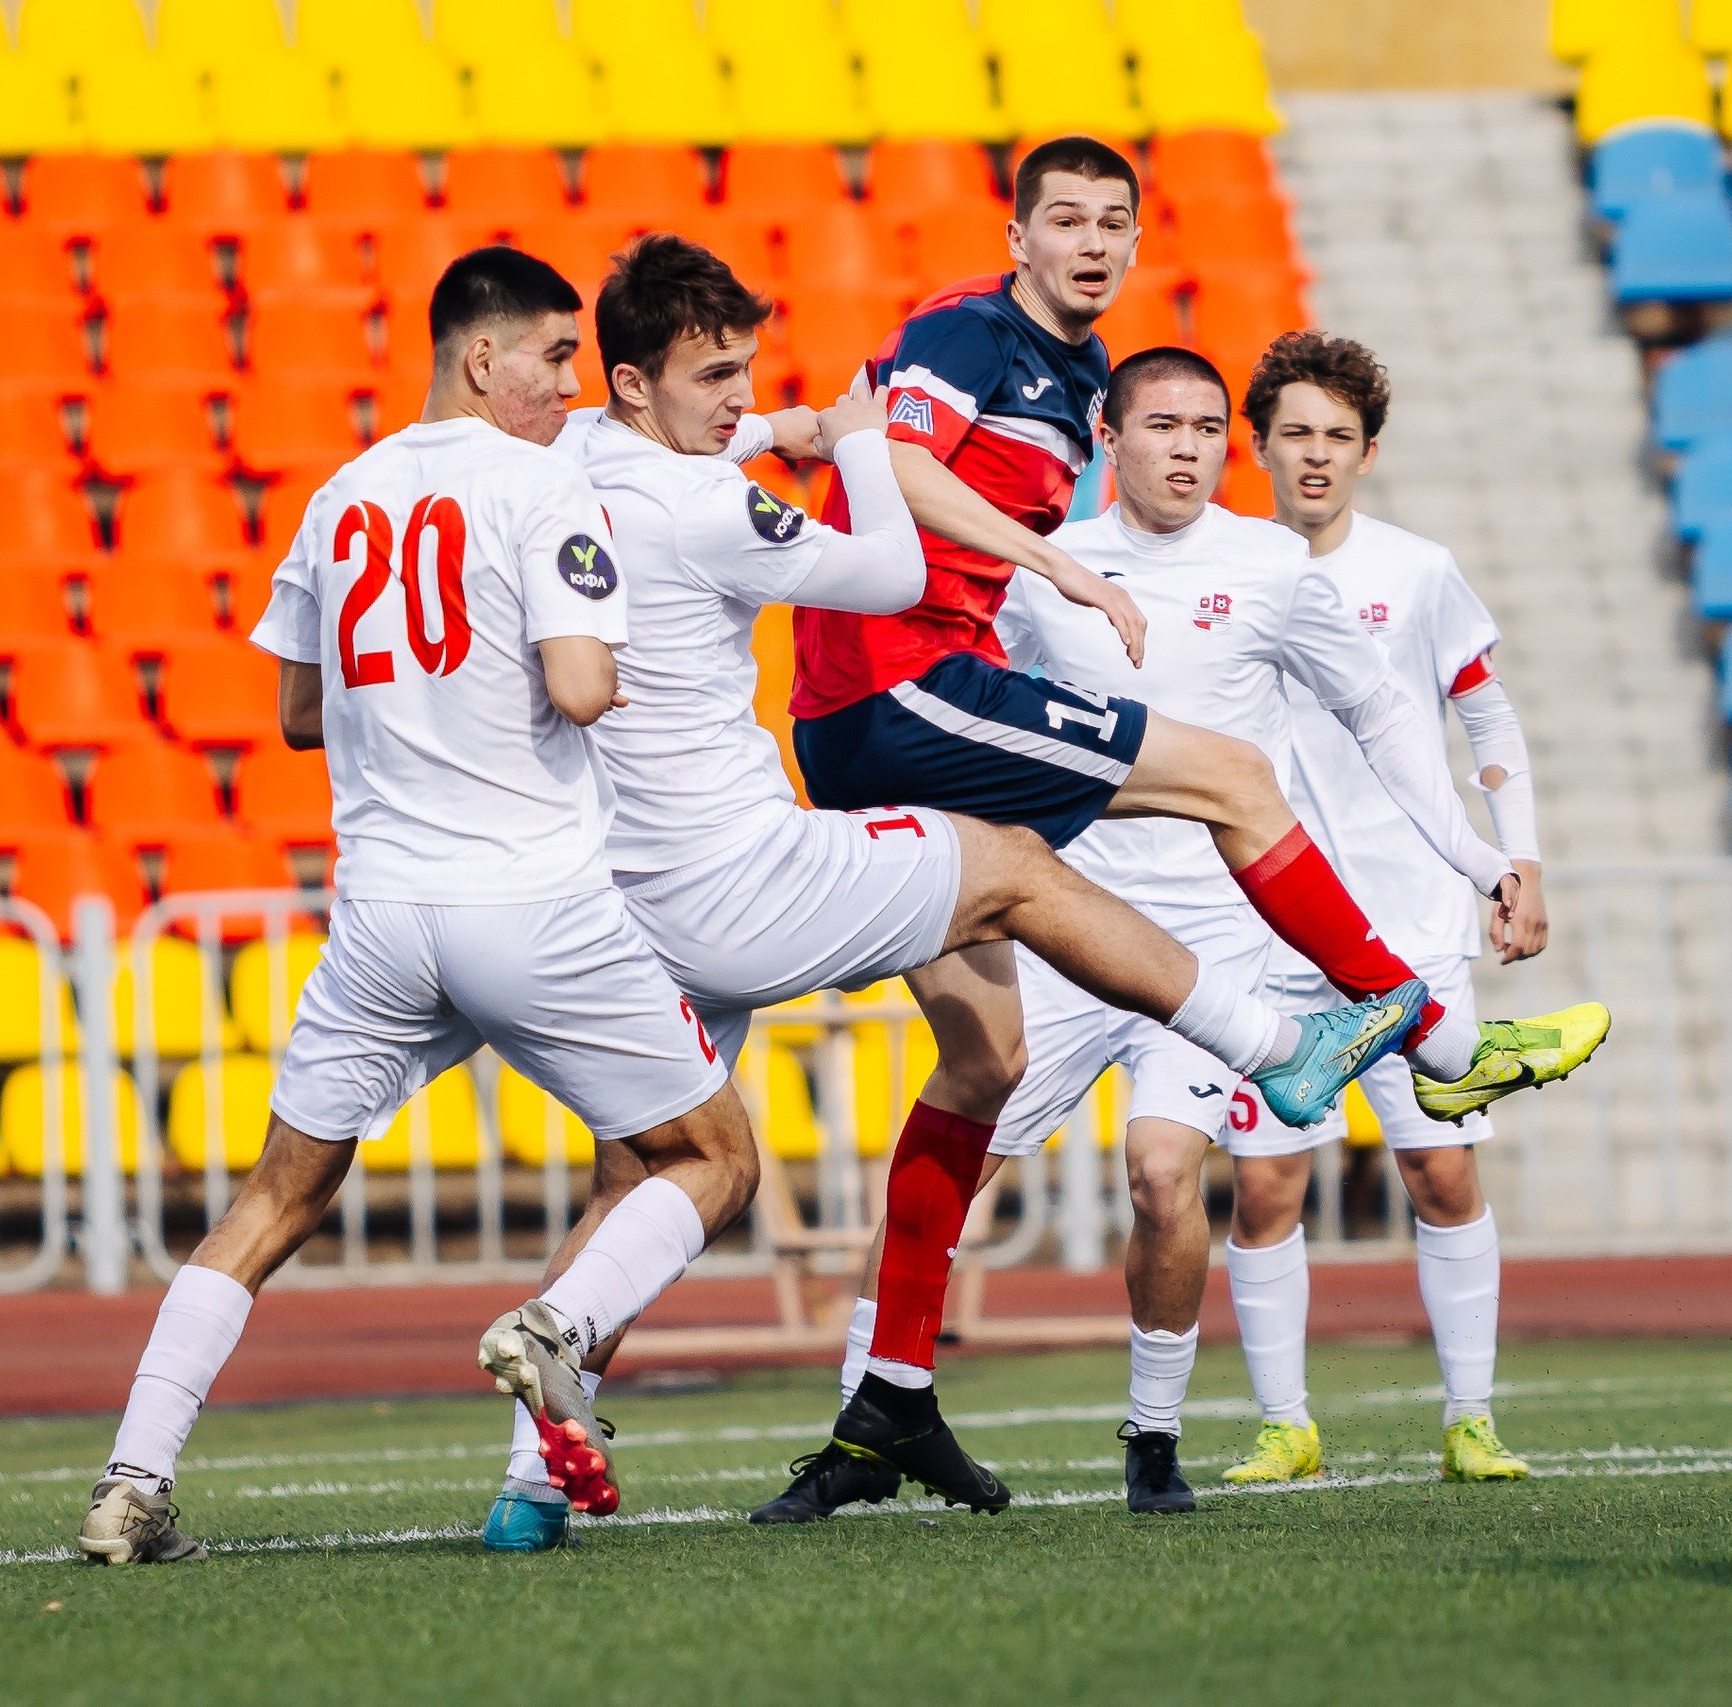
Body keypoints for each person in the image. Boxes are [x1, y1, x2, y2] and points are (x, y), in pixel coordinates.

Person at [477, 237, 1422, 1549]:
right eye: (718, 376)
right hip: (742, 872)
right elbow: (896, 573)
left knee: (715, 1155)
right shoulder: (711, 507)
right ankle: (1285, 1046)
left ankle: (543, 1476)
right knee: (1020, 874)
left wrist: (789, 420)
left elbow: (698, 431)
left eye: (747, 370)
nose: (741, 400)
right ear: (638, 383)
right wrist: (861, 441)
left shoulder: (575, 457)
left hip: (618, 891)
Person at [778, 136, 1580, 1487]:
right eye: (1067, 221)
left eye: (1117, 224)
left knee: (1000, 1088)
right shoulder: (975, 340)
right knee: (1227, 775)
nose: (1093, 244)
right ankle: (1432, 1030)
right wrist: (1054, 562)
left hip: (1131, 896)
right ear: (1021, 236)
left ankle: (889, 1405)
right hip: (901, 704)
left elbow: (1394, 720)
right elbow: (894, 456)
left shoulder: (1237, 528)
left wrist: (1489, 854)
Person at [77, 249, 761, 1563]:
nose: (572, 384)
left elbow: (292, 710)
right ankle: (554, 1329)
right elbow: (577, 687)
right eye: (556, 357)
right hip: (532, 903)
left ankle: (131, 1476)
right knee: (710, 1154)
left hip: (383, 914)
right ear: (481, 358)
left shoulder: (341, 493)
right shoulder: (541, 481)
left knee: (273, 1198)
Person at [1217, 330, 1598, 1490]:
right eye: (1295, 436)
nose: (1315, 457)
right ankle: (1285, 1424)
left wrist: (1514, 861)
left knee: (1441, 1173)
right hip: (1265, 930)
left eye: (1337, 437)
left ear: (1368, 452)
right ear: (1262, 447)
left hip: (1415, 924)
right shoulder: (1218, 569)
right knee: (1268, 1182)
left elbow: (1489, 722)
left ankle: (1469, 1420)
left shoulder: (1418, 572)